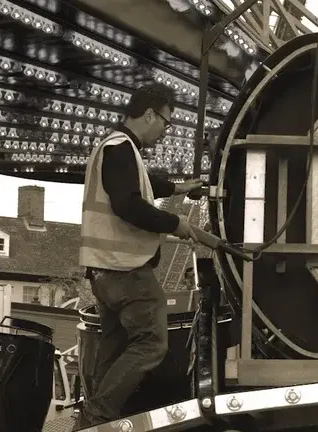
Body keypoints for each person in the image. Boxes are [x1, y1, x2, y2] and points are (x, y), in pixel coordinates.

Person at [75, 83, 205, 429]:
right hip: (126, 270)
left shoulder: (115, 147)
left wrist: (179, 188)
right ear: (150, 114)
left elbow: (142, 185)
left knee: (114, 349)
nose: (165, 131)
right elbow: (128, 204)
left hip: (103, 272)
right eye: (166, 122)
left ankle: (92, 422)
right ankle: (96, 417)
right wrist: (175, 222)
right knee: (151, 342)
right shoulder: (121, 149)